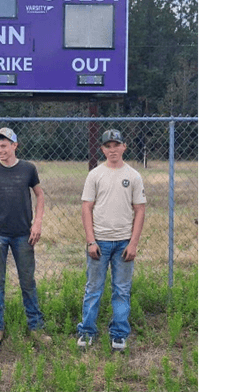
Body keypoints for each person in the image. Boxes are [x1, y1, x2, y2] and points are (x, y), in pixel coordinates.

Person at [0, 127, 52, 348]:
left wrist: (37, 222)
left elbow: (39, 195)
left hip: (23, 234)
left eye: (4, 146)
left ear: (15, 146)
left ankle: (36, 327)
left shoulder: (28, 169)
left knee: (27, 282)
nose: (0, 150)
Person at [76, 129, 146, 352]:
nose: (113, 150)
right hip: (100, 242)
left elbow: (140, 210)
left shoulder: (133, 176)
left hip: (123, 243)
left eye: (117, 145)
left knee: (121, 290)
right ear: (102, 149)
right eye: (108, 146)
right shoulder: (95, 175)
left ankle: (119, 333)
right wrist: (91, 241)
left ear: (124, 147)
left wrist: (133, 243)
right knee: (93, 289)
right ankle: (87, 331)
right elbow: (86, 208)